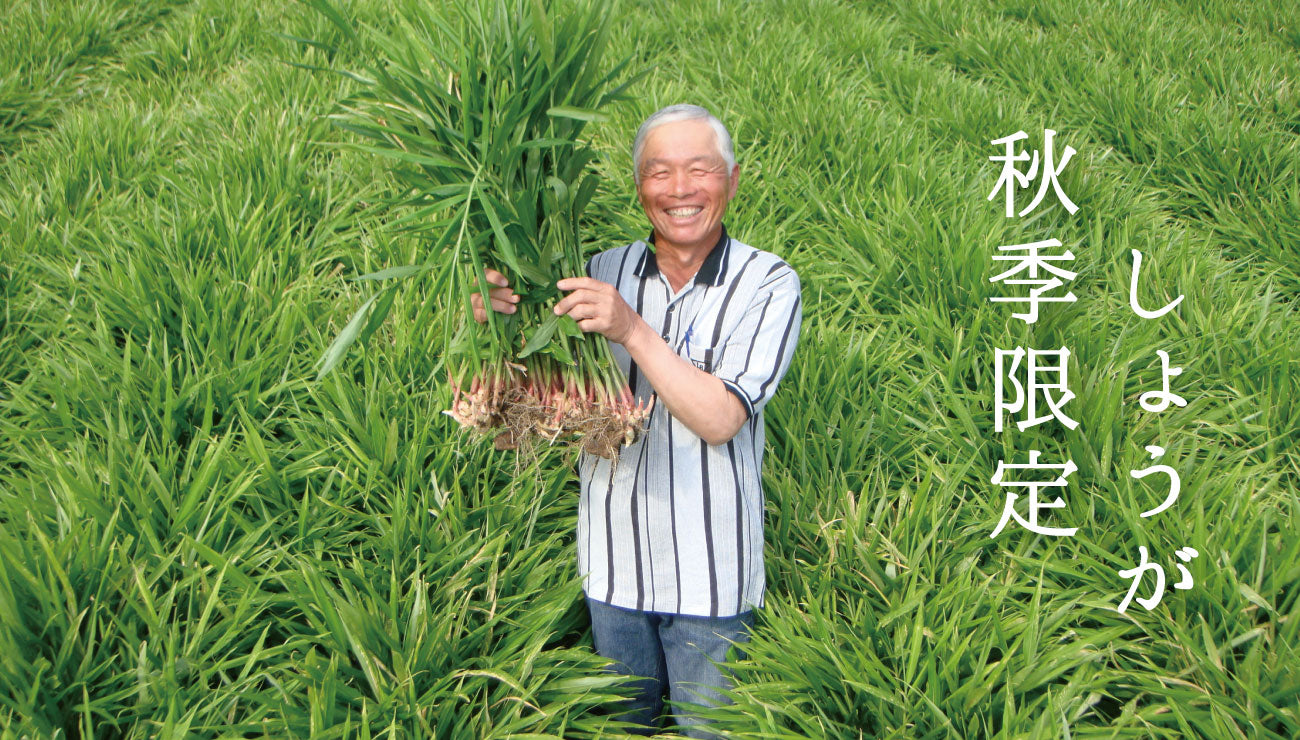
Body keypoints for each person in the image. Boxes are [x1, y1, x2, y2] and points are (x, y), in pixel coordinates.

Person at [473, 104, 801, 737]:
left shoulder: (768, 283)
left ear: (732, 181)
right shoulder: (596, 270)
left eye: (700, 170)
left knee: (711, 729)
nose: (679, 189)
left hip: (712, 576)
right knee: (622, 729)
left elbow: (721, 417)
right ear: (639, 187)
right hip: (613, 567)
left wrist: (631, 328)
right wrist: (498, 323)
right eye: (659, 173)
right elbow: (542, 393)